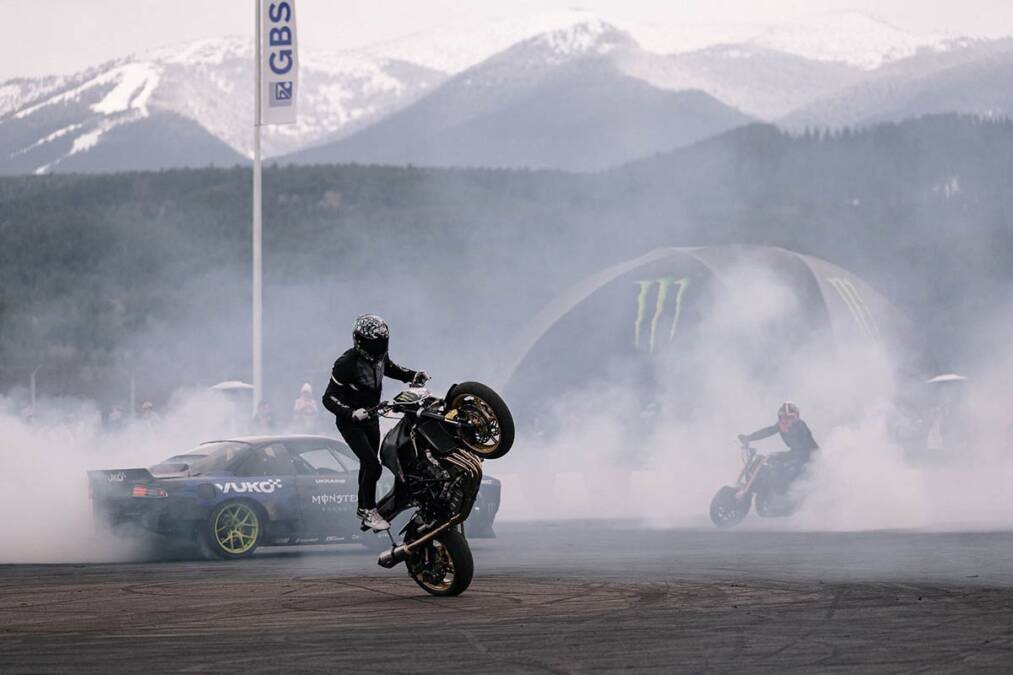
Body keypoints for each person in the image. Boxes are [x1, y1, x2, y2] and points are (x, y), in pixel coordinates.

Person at [321, 314, 427, 532]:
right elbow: (328, 398)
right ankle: (368, 509)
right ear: (359, 341)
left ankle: (363, 508)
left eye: (382, 344)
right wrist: (351, 413)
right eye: (374, 344)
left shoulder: (380, 356)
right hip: (351, 422)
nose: (379, 349)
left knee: (368, 465)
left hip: (373, 417)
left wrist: (413, 375)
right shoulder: (345, 363)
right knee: (373, 466)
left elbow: (391, 368)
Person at [738, 402, 819, 483]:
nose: (787, 421)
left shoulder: (801, 427)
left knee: (783, 471)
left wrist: (781, 455)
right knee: (768, 462)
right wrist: (749, 438)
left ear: (797, 417)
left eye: (791, 417)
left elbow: (803, 452)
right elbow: (767, 431)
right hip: (796, 455)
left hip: (809, 460)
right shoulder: (781, 425)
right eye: (784, 417)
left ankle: (782, 494)